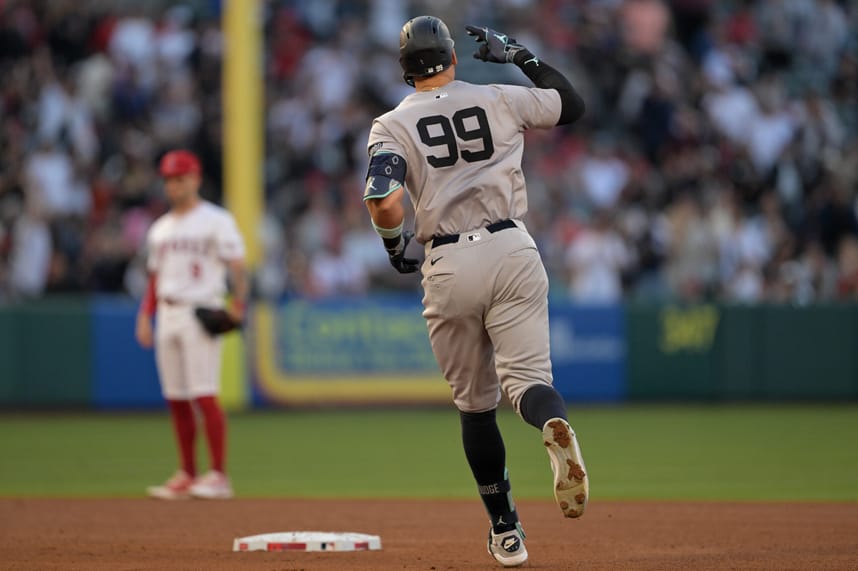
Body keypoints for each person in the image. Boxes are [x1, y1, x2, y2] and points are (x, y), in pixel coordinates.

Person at [363, 16, 589, 567]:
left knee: (475, 407)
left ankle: (506, 532)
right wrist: (517, 53)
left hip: (448, 261)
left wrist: (394, 247)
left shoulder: (392, 124)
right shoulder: (498, 96)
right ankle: (551, 422)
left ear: (405, 71)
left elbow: (384, 200)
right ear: (452, 57)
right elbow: (571, 104)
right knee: (529, 384)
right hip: (512, 248)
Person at [135, 149, 248, 500]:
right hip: (167, 311)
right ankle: (187, 472)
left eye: (180, 178)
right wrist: (145, 314)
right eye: (169, 179)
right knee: (176, 398)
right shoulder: (160, 229)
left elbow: (237, 265)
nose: (174, 185)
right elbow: (154, 277)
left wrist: (238, 304)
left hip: (201, 311)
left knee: (204, 393)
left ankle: (218, 475)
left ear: (196, 178)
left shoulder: (216, 220)